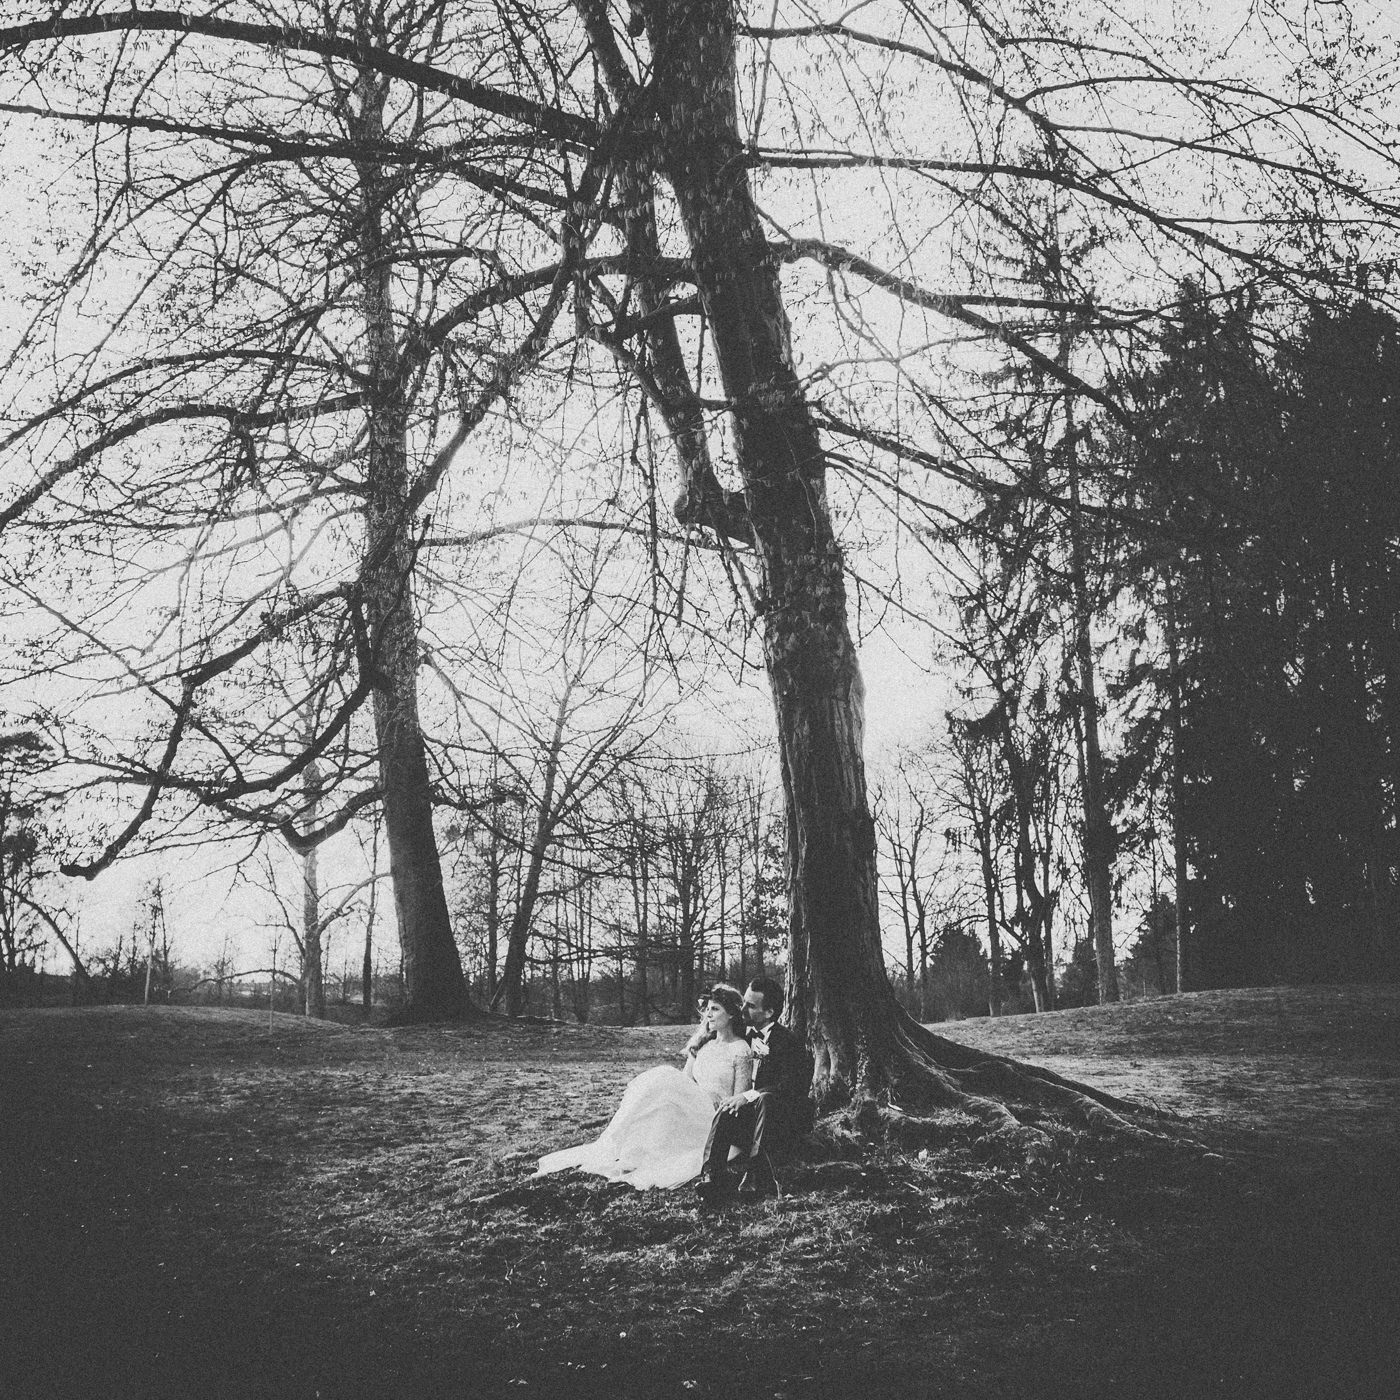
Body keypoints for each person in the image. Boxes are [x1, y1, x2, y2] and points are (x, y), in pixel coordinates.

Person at [535, 984, 755, 1191]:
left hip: (715, 1116)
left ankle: (633, 1150)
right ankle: (626, 1149)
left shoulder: (740, 1049)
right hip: (693, 1106)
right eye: (707, 1008)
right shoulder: (702, 1044)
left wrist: (711, 1101)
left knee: (664, 1077)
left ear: (732, 1014)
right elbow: (684, 1080)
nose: (708, 1014)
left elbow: (739, 1099)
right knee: (662, 1097)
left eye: (715, 1009)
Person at [694, 975, 811, 1205]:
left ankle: (756, 1176)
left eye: (750, 1005)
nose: (742, 1009)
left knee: (766, 1098)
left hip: (781, 1123)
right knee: (727, 1107)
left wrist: (747, 1096)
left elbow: (790, 1086)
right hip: (750, 1124)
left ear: (768, 1012)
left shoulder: (789, 1042)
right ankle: (712, 1176)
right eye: (743, 1003)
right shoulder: (741, 1036)